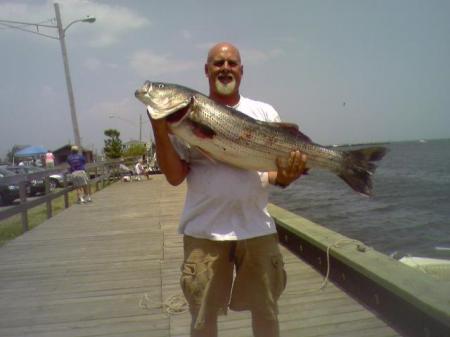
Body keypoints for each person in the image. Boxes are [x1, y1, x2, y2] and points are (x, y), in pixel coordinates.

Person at [149, 42, 307, 337]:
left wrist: (288, 175)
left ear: (241, 70)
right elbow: (173, 176)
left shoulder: (263, 111)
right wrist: (159, 129)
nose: (225, 68)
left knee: (267, 313)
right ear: (206, 70)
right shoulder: (182, 120)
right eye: (218, 63)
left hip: (256, 228)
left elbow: (275, 176)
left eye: (231, 63)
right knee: (202, 318)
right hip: (204, 233)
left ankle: (345, 164)